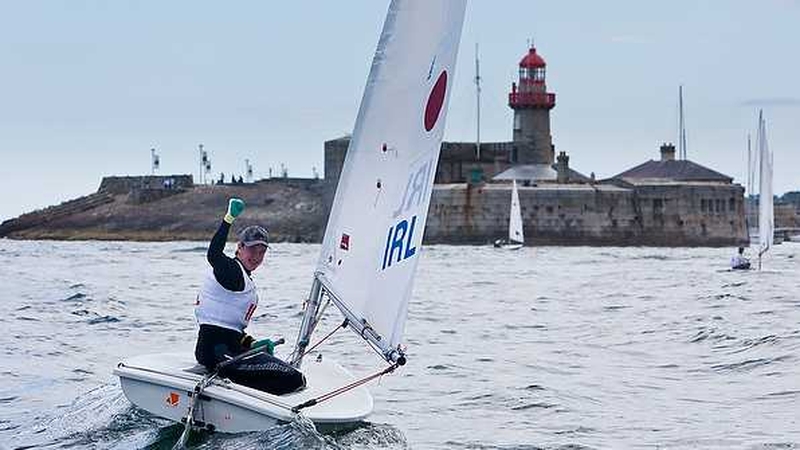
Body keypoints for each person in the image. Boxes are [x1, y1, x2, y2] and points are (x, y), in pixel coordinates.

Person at [194, 197, 305, 395]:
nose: (257, 256)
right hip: (216, 352)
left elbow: (232, 330)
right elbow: (213, 254)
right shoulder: (232, 272)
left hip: (229, 349)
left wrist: (253, 343)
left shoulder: (244, 278)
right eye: (252, 249)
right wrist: (228, 219)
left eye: (262, 251)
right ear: (239, 247)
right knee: (294, 378)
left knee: (291, 374)